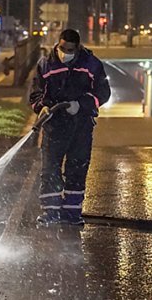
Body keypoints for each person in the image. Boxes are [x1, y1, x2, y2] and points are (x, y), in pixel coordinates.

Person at [29, 28, 111, 226]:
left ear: (78, 47)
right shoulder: (45, 64)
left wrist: (81, 104)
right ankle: (51, 213)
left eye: (70, 50)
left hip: (81, 126)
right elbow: (35, 94)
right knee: (50, 170)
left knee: (77, 168)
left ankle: (72, 213)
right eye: (63, 48)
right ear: (58, 44)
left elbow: (103, 93)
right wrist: (42, 107)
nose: (65, 53)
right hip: (54, 126)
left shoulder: (91, 64)